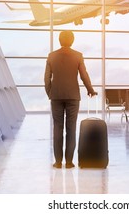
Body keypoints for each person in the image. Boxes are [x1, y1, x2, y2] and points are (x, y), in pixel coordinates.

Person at [44, 30, 97, 169]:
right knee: (71, 128)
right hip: (73, 96)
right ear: (72, 41)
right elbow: (84, 75)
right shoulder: (78, 56)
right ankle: (69, 162)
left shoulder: (51, 56)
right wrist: (90, 90)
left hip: (56, 96)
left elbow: (46, 78)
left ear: (59, 40)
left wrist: (50, 93)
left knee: (57, 128)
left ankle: (57, 162)